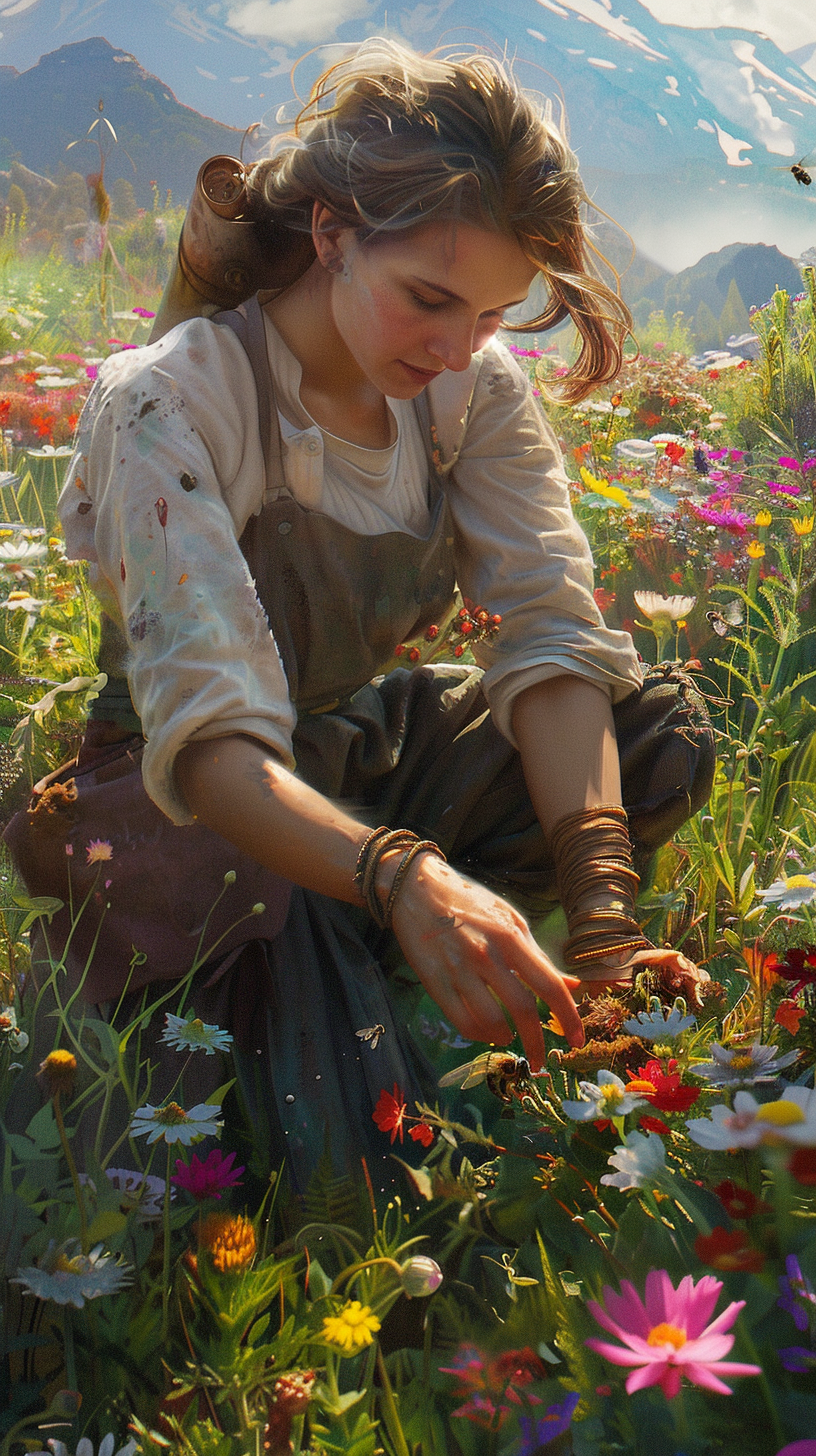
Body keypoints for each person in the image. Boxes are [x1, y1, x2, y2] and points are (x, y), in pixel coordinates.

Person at [22, 40, 714, 1186]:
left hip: (345, 748)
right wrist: (400, 872)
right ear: (333, 234)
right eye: (428, 300)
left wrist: (601, 913)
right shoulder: (172, 401)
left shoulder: (467, 394)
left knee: (650, 733)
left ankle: (410, 944)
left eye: (491, 314)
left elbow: (548, 630)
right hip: (188, 802)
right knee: (342, 1144)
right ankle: (329, 973)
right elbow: (214, 746)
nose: (456, 346)